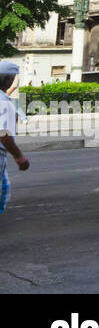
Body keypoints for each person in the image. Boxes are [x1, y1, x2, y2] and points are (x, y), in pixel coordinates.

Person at [0, 62, 30, 215]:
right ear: (9, 79)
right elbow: (3, 133)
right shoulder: (3, 102)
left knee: (4, 188)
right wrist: (19, 156)